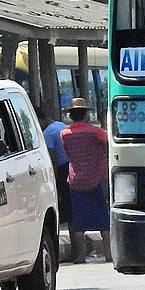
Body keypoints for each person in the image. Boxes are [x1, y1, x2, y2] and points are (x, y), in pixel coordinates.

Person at [60, 97, 110, 263]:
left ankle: (81, 255)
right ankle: (109, 253)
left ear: (71, 115)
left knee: (79, 220)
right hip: (96, 177)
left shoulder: (65, 134)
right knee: (103, 217)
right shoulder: (96, 132)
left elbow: (67, 154)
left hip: (76, 180)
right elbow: (107, 146)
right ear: (86, 115)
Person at [40, 110, 75, 258]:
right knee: (72, 211)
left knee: (64, 212)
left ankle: (70, 252)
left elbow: (52, 158)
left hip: (61, 171)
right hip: (71, 167)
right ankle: (75, 249)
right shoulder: (60, 125)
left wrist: (52, 182)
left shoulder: (47, 133)